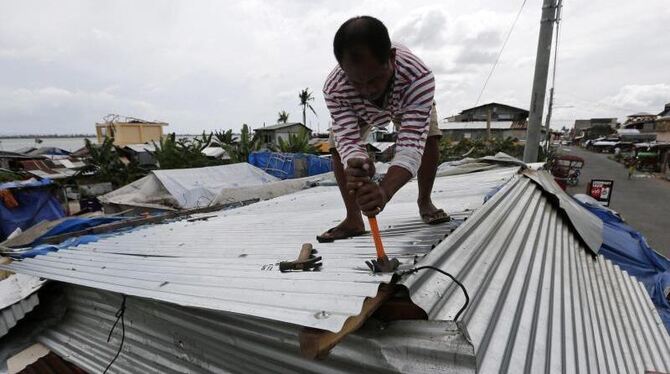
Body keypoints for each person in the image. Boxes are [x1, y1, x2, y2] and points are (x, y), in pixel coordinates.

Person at [317, 16, 448, 243]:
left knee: (429, 138)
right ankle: (353, 219)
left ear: (391, 58)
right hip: (358, 111)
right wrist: (359, 164)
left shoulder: (418, 77)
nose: (368, 90)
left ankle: (424, 201)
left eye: (375, 78)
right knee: (337, 148)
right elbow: (348, 139)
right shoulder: (336, 88)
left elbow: (410, 147)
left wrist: (384, 191)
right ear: (343, 69)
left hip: (405, 98)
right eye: (357, 82)